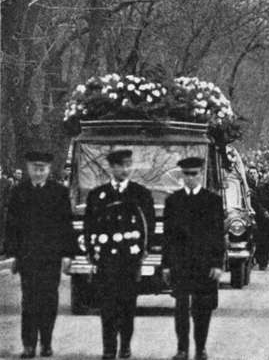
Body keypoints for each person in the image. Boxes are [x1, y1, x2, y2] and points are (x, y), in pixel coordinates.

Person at [84, 150, 155, 359]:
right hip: (106, 260)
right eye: (119, 166)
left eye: (127, 165)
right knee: (107, 306)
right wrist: (91, 252)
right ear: (111, 168)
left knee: (127, 305)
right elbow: (89, 226)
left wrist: (142, 252)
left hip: (129, 260)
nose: (124, 170)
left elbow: (148, 225)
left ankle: (125, 345)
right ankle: (108, 348)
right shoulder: (97, 195)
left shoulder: (140, 194)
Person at [5, 151, 76, 358]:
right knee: (29, 301)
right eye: (35, 168)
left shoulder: (59, 192)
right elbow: (12, 225)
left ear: (49, 170)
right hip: (28, 256)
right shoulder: (19, 192)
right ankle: (28, 344)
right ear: (28, 168)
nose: (39, 172)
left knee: (49, 301)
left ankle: (46, 342)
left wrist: (67, 254)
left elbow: (66, 225)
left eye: (42, 168)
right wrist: (13, 254)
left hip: (51, 257)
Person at [162, 157, 225, 360]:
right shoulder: (173, 201)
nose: (191, 178)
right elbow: (168, 236)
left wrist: (217, 263)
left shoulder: (212, 200)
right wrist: (166, 265)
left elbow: (217, 234)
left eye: (195, 174)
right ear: (182, 175)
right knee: (181, 307)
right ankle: (182, 349)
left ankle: (200, 348)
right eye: (187, 174)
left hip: (204, 263)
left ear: (201, 175)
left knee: (202, 308)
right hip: (180, 263)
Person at [255, 170, 269, 271]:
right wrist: (263, 211)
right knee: (262, 242)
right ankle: (262, 263)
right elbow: (257, 202)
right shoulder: (260, 189)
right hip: (263, 220)